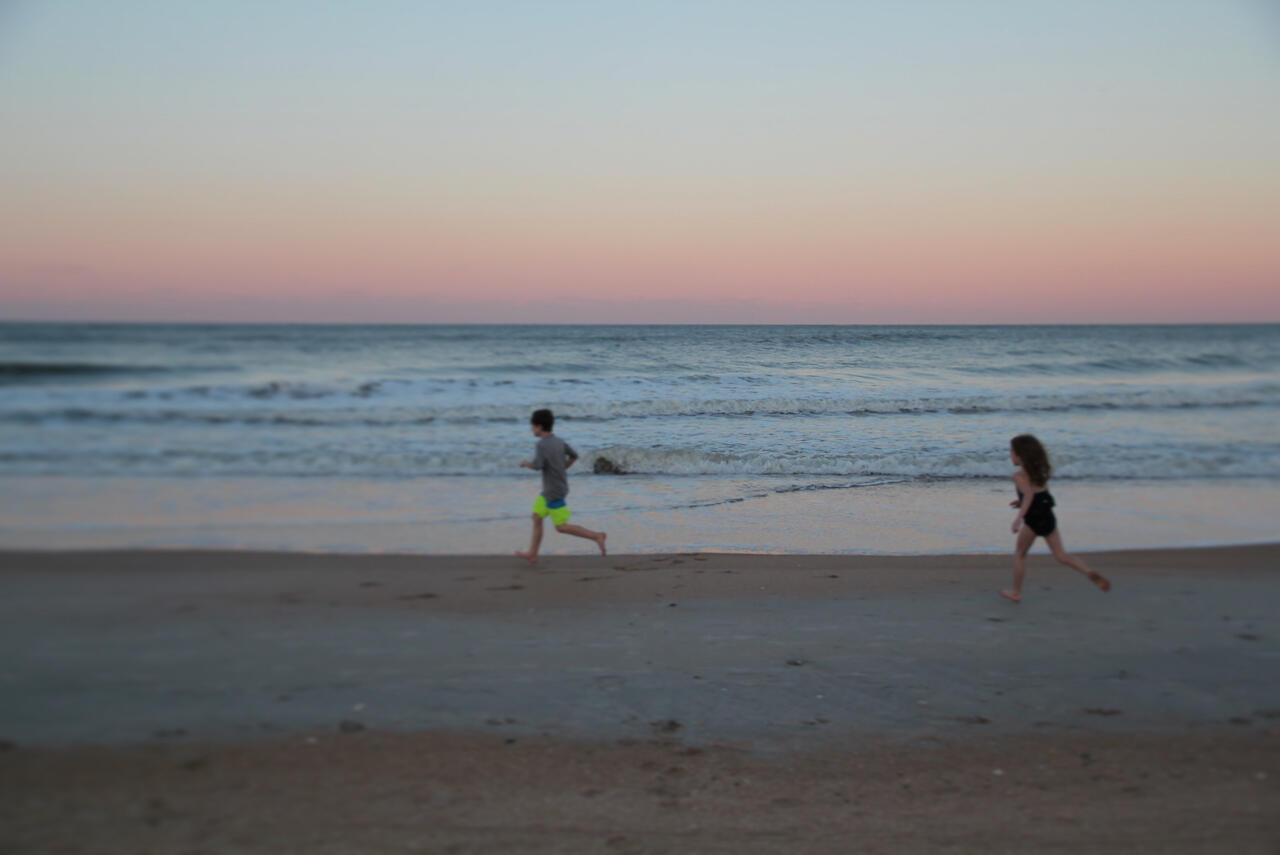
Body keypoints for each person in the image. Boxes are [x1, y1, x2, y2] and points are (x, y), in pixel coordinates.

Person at [1000, 434, 1110, 603]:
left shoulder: (1018, 476)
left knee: (1019, 554)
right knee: (1061, 555)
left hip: (1033, 519)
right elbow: (1038, 495)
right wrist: (1020, 502)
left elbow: (1029, 495)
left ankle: (1016, 592)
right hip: (1047, 514)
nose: (1010, 455)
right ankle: (1087, 571)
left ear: (1020, 456)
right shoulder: (1039, 473)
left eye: (1012, 452)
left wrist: (1018, 518)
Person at [515, 408, 606, 562]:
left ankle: (596, 536)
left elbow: (537, 466)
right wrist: (563, 467)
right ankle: (533, 553)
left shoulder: (541, 445)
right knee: (537, 517)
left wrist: (525, 463)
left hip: (553, 492)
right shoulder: (559, 441)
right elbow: (574, 456)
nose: (531, 428)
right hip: (553, 489)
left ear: (539, 427)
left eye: (533, 426)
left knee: (561, 527)